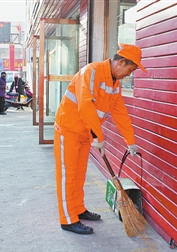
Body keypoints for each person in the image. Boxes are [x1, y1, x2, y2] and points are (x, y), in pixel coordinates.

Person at [54, 43, 146, 235]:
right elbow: (85, 106)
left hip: (85, 134)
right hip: (69, 131)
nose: (129, 75)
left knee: (79, 175)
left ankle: (78, 209)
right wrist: (98, 136)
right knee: (67, 176)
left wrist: (131, 142)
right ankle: (68, 219)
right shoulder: (91, 72)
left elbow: (121, 114)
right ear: (121, 62)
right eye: (130, 70)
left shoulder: (115, 85)